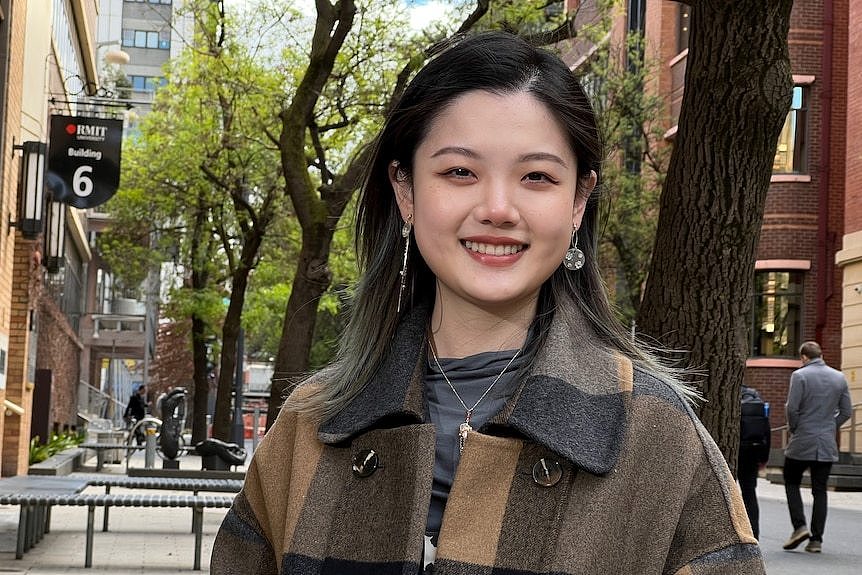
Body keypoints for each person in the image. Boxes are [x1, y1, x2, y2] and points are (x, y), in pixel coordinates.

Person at [212, 32, 764, 574]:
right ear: (406, 192)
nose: (498, 208)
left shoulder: (656, 432)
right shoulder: (312, 423)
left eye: (537, 177)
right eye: (459, 172)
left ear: (578, 201)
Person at [782, 341, 852, 553]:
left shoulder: (800, 376)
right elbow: (847, 411)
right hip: (826, 442)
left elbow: (792, 408)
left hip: (803, 439)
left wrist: (795, 428)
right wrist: (831, 426)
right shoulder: (839, 377)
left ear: (804, 357)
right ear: (820, 354)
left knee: (791, 481)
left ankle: (799, 526)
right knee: (820, 490)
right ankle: (816, 540)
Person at [738, 384, 771, 539]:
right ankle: (754, 534)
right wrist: (763, 457)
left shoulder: (729, 396)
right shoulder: (756, 398)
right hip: (752, 451)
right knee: (749, 493)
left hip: (735, 449)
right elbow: (766, 431)